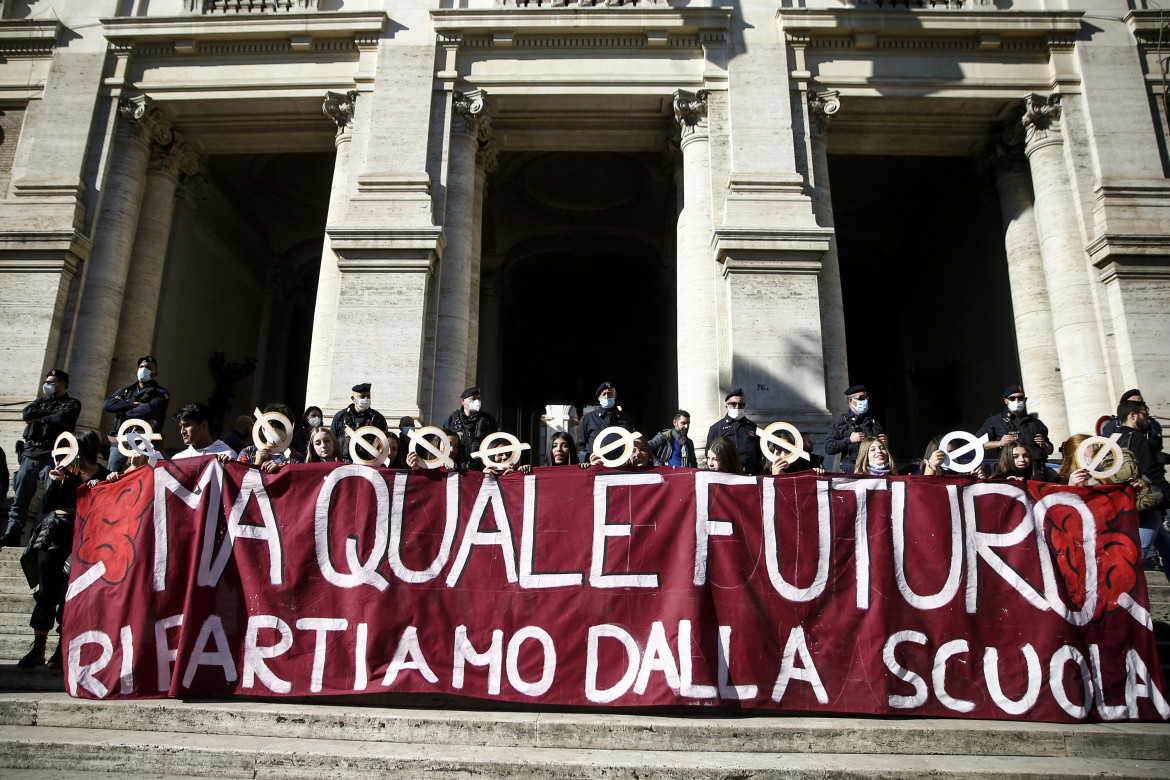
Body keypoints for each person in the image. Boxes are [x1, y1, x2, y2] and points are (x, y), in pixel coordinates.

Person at [17, 429, 108, 668]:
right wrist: (55, 482)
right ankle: (38, 647)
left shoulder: (105, 474)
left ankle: (61, 649)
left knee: (70, 591)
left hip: (84, 536)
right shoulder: (65, 472)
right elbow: (46, 506)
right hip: (55, 532)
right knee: (46, 591)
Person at [4, 370, 81, 547]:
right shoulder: (41, 402)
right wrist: (45, 417)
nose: (46, 385)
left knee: (49, 499)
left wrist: (40, 418)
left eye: (50, 382)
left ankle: (40, 537)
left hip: (51, 456)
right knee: (20, 498)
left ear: (61, 384)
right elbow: (26, 414)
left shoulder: (71, 403)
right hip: (30, 454)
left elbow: (62, 418)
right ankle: (12, 533)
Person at [103, 355, 170, 473]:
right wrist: (131, 404)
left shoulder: (160, 393)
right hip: (121, 440)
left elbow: (148, 410)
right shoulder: (126, 391)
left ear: (155, 373)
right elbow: (108, 404)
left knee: (140, 473)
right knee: (112, 473)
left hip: (144, 441)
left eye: (148, 367)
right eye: (142, 366)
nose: (144, 369)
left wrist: (123, 409)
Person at [976, 383, 1053, 464]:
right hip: (1010, 470)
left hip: (1036, 470)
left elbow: (1050, 450)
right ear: (1006, 401)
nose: (1017, 401)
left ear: (1025, 400)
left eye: (1020, 398)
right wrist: (999, 443)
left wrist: (1044, 445)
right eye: (1012, 398)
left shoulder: (1035, 422)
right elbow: (978, 444)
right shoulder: (995, 421)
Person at [824, 384, 885, 474]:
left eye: (866, 398)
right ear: (851, 400)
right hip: (851, 469)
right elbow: (829, 448)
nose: (865, 401)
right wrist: (849, 440)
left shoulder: (873, 422)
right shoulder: (841, 422)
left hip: (872, 469)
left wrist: (884, 442)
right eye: (861, 398)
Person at [231, 402, 303, 473]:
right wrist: (256, 465)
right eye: (270, 426)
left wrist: (280, 472)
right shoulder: (247, 453)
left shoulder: (296, 458)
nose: (274, 430)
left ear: (290, 427)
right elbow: (239, 479)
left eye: (280, 426)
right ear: (263, 427)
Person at [706, 388, 763, 476]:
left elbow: (758, 454)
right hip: (726, 474)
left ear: (745, 406)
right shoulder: (717, 428)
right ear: (727, 406)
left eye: (741, 404)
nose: (737, 407)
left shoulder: (752, 427)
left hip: (749, 474)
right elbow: (709, 453)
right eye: (733, 404)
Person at [576, 381, 635, 463]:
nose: (607, 397)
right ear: (598, 397)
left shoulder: (625, 418)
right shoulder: (588, 418)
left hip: (620, 465)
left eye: (610, 393)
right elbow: (581, 446)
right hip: (596, 465)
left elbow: (631, 441)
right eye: (604, 394)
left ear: (615, 396)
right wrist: (588, 459)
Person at [331, 383, 388, 464]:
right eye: (362, 396)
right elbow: (332, 440)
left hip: (369, 463)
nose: (366, 399)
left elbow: (384, 442)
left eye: (368, 396)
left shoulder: (377, 418)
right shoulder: (340, 417)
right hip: (345, 462)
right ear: (353, 398)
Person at [445, 387, 499, 471]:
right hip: (456, 469)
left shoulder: (488, 420)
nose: (477, 402)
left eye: (478, 399)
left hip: (481, 469)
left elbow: (495, 444)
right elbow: (442, 442)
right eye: (473, 399)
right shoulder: (451, 419)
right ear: (463, 401)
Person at [1102, 389, 1164, 461]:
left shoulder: (1152, 424)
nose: (1138, 406)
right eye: (1133, 403)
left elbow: (1157, 446)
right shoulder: (1113, 425)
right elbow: (1105, 452)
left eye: (1141, 403)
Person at [171, 403, 236, 459]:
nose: (182, 431)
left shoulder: (227, 456)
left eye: (187, 425)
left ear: (204, 425)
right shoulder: (178, 458)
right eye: (181, 427)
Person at [919, 434, 987, 479]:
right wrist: (930, 466)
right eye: (942, 453)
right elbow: (926, 488)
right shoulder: (917, 481)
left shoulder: (963, 477)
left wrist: (978, 483)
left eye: (952, 452)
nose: (948, 457)